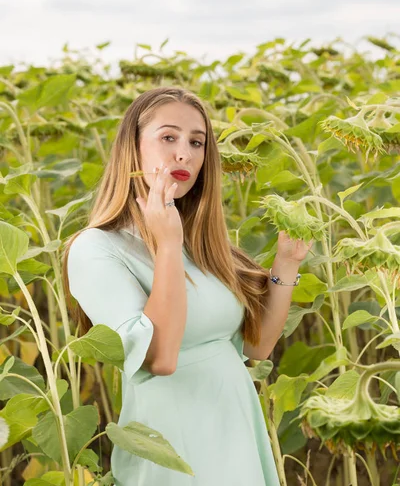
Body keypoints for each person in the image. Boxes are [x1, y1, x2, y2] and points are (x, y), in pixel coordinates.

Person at [63, 86, 313, 485]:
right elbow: (161, 358)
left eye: (197, 142)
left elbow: (256, 346)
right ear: (133, 149)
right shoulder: (96, 249)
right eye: (168, 137)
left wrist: (287, 263)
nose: (185, 154)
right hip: (173, 442)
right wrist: (167, 247)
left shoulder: (200, 243)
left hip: (236, 430)